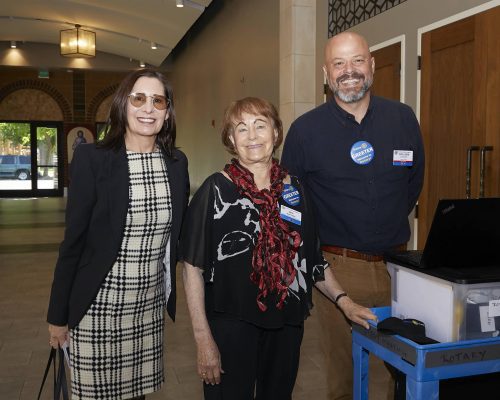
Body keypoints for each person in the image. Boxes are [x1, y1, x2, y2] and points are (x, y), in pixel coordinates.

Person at [180, 97, 376, 400]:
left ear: (276, 132)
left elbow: (312, 259)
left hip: (286, 323)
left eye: (260, 126)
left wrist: (344, 301)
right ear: (231, 140)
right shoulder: (215, 190)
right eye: (241, 129)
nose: (253, 136)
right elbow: (193, 268)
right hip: (231, 324)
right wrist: (203, 337)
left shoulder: (295, 189)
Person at [281, 31, 425, 400]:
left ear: (372, 65)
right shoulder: (304, 132)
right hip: (339, 270)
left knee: (408, 370)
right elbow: (292, 208)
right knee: (344, 378)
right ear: (326, 74)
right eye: (339, 63)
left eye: (358, 60)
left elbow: (413, 184)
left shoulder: (402, 118)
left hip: (401, 269)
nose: (350, 71)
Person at [47, 68, 190, 400]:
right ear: (123, 104)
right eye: (139, 98)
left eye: (158, 101)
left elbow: (179, 234)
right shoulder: (93, 159)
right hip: (98, 307)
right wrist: (57, 316)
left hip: (146, 309)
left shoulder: (175, 162)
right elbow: (73, 243)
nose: (148, 108)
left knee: (137, 394)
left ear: (167, 112)